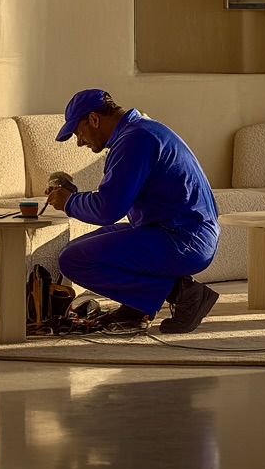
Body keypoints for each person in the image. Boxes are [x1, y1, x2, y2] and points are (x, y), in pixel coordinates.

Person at [44, 89, 220, 333]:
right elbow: (116, 197)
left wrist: (69, 202)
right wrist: (73, 197)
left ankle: (184, 294)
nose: (80, 141)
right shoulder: (140, 131)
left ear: (94, 119)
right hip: (175, 232)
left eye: (79, 132)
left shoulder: (135, 140)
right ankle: (135, 309)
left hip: (183, 240)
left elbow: (108, 209)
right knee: (74, 250)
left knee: (73, 260)